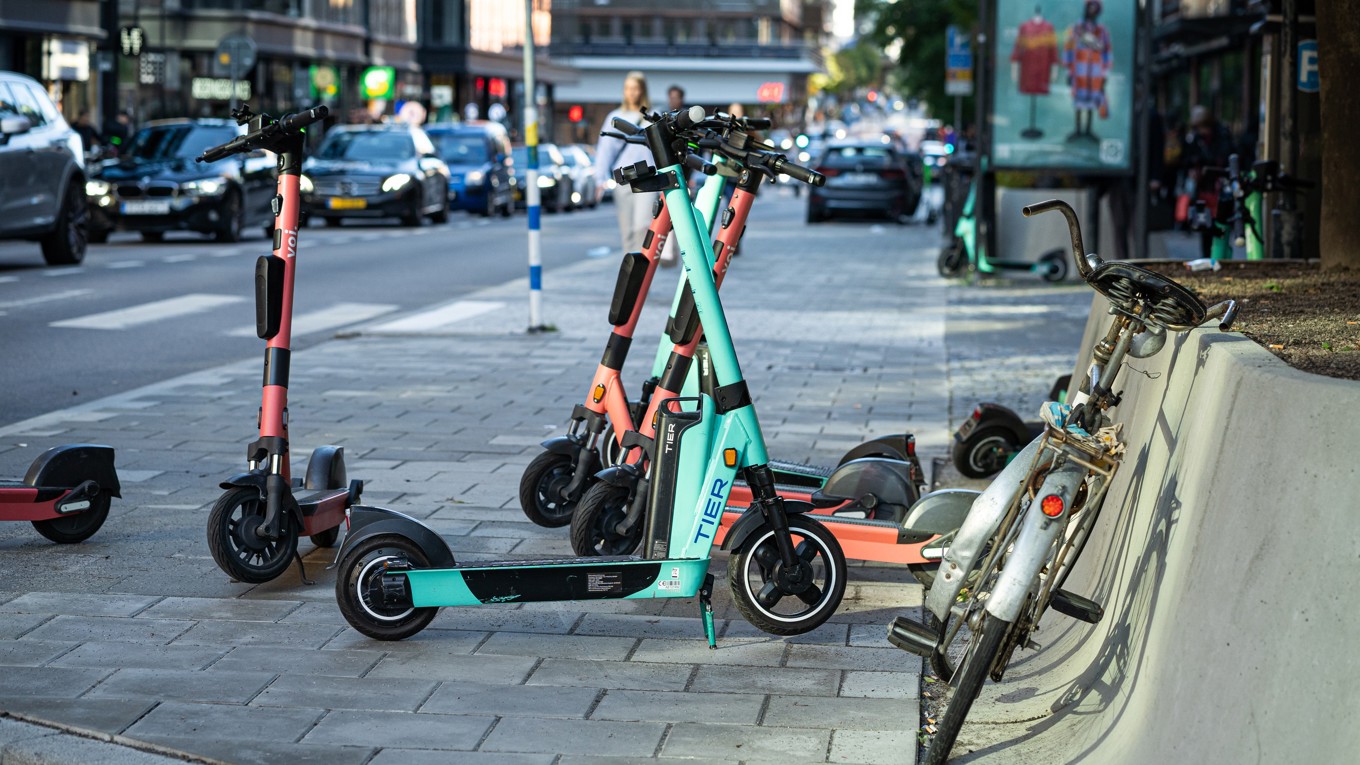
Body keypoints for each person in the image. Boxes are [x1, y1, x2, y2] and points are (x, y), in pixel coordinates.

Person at [594, 71, 658, 257]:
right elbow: (605, 149)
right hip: (624, 179)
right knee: (627, 230)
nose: (631, 93)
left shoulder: (652, 116)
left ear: (642, 90)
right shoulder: (615, 117)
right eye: (628, 89)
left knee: (643, 225)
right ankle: (630, 267)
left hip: (648, 178)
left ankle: (642, 265)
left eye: (635, 88)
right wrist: (599, 178)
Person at [1181, 105, 1235, 258]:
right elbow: (1186, 160)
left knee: (1220, 222)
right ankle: (1206, 256)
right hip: (1203, 188)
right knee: (1204, 223)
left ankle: (1221, 254)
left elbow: (1227, 156)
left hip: (1218, 187)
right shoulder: (1195, 139)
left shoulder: (1222, 136)